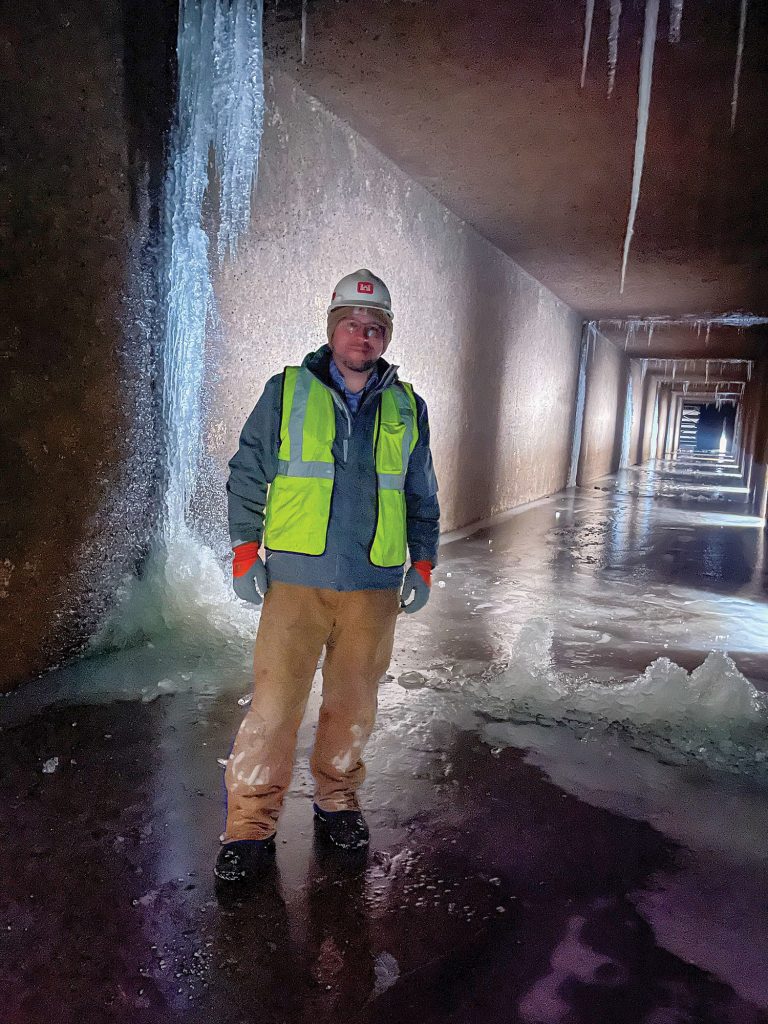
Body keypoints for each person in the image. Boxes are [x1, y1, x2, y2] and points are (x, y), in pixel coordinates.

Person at [215, 268, 440, 885]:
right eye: (352, 324)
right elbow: (248, 470)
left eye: (375, 328)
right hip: (296, 581)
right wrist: (243, 549)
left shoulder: (406, 406)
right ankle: (249, 828)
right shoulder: (286, 391)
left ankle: (337, 802)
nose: (362, 336)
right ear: (332, 328)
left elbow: (420, 491)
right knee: (275, 706)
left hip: (372, 585)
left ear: (386, 337)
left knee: (353, 704)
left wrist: (423, 559)